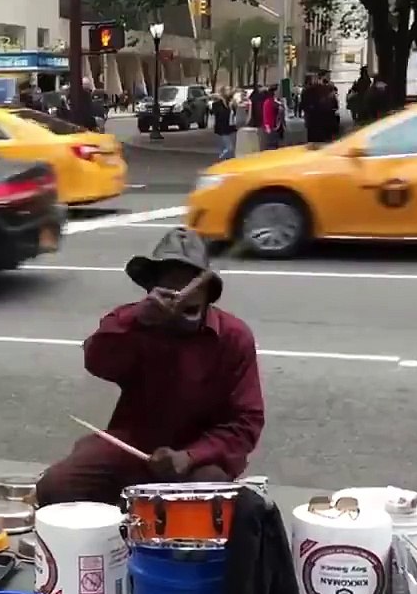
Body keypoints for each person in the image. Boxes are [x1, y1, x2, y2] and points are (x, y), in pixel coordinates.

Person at [35, 228, 265, 507]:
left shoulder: (233, 336)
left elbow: (246, 422)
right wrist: (136, 322)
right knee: (55, 487)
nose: (181, 292)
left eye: (191, 281)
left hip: (200, 455)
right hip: (135, 443)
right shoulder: (133, 322)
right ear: (153, 289)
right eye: (171, 282)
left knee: (204, 500)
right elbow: (98, 362)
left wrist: (190, 456)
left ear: (207, 290)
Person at [211, 87, 236, 160]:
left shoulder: (231, 103)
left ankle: (226, 163)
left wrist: (232, 106)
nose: (229, 92)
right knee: (229, 148)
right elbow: (218, 114)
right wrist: (222, 100)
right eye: (227, 90)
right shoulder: (216, 104)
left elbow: (234, 114)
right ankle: (220, 159)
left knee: (230, 149)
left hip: (231, 128)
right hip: (222, 129)